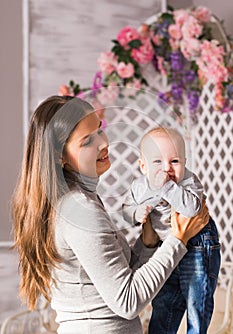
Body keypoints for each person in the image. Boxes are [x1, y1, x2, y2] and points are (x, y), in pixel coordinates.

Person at [12, 95, 210, 334]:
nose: (103, 143)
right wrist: (178, 239)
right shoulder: (79, 210)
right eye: (87, 142)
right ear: (60, 157)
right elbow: (127, 302)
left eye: (99, 130)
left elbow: (119, 280)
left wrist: (147, 244)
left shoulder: (76, 202)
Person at [122, 127, 221, 334]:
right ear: (143, 166)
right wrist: (137, 212)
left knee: (197, 301)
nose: (167, 168)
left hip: (197, 246)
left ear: (184, 163)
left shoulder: (188, 181)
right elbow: (126, 211)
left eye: (174, 161)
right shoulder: (139, 187)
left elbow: (193, 208)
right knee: (165, 301)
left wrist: (166, 188)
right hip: (166, 247)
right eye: (157, 162)